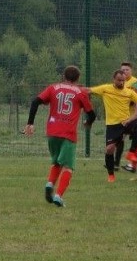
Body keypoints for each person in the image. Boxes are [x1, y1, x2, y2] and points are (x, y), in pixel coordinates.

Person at [24, 65, 96, 207]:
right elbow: (92, 114)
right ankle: (58, 196)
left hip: (52, 132)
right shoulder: (81, 93)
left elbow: (35, 102)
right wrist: (88, 122)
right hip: (68, 134)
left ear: (63, 76)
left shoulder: (53, 88)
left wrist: (30, 123)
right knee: (68, 167)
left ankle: (49, 184)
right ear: (77, 78)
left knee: (56, 161)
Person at [84, 70, 137, 183]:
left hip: (126, 122)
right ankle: (111, 175)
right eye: (119, 80)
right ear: (114, 79)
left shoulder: (129, 92)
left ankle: (131, 153)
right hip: (113, 125)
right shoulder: (105, 89)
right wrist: (74, 89)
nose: (121, 82)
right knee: (110, 149)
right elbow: (88, 90)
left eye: (123, 81)